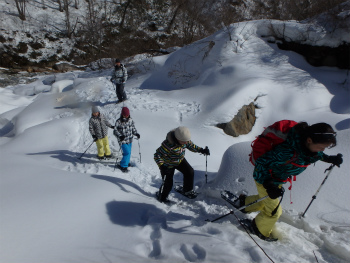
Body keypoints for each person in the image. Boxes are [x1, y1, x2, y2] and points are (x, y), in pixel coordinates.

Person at [234, 122, 343, 241]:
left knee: (266, 200)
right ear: (310, 140)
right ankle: (258, 229)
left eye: (325, 148)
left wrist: (329, 159)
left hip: (278, 179)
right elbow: (261, 163)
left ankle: (244, 203)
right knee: (274, 212)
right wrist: (268, 184)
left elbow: (315, 155)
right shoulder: (287, 151)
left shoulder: (308, 149)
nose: (322, 150)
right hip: (265, 179)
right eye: (321, 147)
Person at [154, 126, 210, 203]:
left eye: (187, 141)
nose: (186, 143)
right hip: (167, 165)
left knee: (189, 172)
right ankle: (162, 197)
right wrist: (162, 166)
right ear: (177, 139)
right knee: (168, 183)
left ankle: (187, 190)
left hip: (179, 160)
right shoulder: (168, 145)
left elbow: (191, 145)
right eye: (184, 141)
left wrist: (201, 150)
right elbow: (157, 155)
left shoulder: (184, 140)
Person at [113, 107, 140, 172]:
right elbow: (115, 131)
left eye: (127, 115)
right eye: (125, 115)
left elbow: (133, 128)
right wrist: (120, 136)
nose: (126, 116)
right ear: (122, 114)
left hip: (130, 139)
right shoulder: (118, 121)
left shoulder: (130, 120)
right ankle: (123, 165)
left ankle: (126, 162)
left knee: (129, 152)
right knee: (127, 152)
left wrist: (136, 133)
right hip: (122, 140)